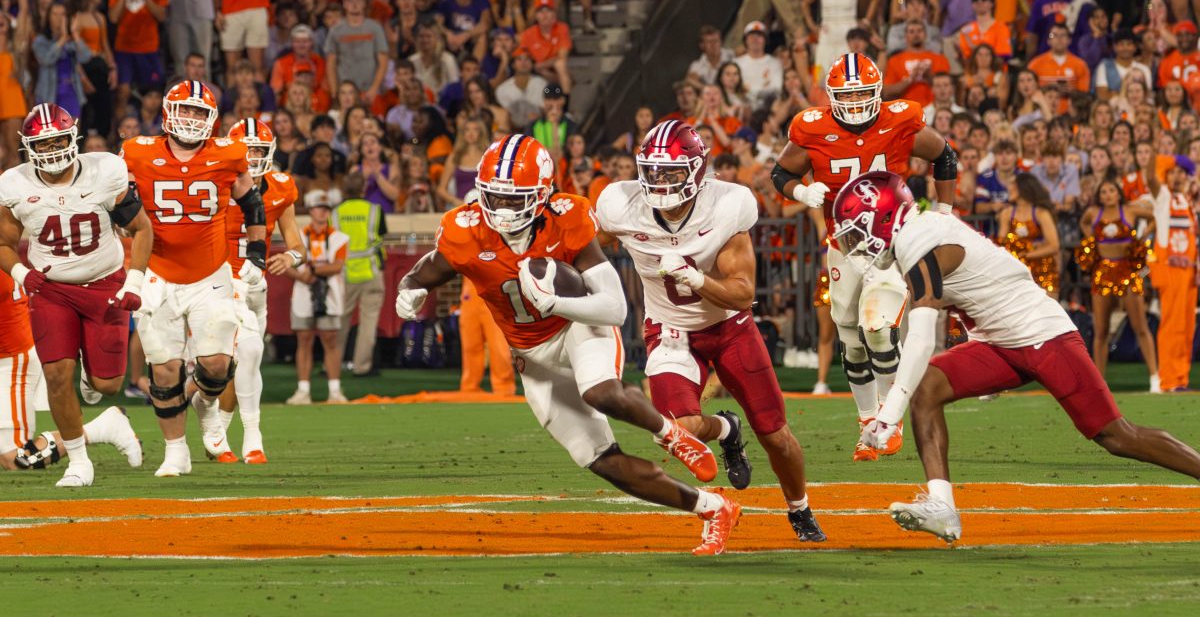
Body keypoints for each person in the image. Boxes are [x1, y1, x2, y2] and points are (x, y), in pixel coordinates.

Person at [395, 134, 742, 555]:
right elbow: (428, 269)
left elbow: (614, 308)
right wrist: (410, 289)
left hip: (579, 323)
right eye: (495, 197)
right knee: (601, 459)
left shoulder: (568, 218)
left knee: (597, 389)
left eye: (514, 198)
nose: (503, 210)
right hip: (532, 356)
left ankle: (671, 434)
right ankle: (712, 508)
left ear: (542, 195)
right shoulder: (465, 229)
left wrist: (558, 302)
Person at [833, 170, 1200, 544]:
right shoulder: (919, 234)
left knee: (1118, 437)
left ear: (882, 218)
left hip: (1041, 335)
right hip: (999, 341)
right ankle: (942, 508)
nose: (852, 243)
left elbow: (924, 335)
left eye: (854, 231)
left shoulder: (919, 240)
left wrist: (889, 414)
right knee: (927, 389)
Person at [596, 120, 826, 543]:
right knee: (676, 431)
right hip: (669, 331)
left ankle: (799, 508)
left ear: (698, 171)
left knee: (775, 434)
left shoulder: (727, 204)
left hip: (730, 329)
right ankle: (726, 429)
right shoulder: (620, 204)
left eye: (671, 172)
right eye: (653, 172)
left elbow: (742, 294)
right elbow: (588, 246)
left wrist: (696, 279)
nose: (660, 182)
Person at [771, 52, 956, 461]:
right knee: (851, 339)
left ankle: (889, 421)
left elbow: (945, 156)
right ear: (832, 96)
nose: (855, 105)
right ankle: (868, 422)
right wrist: (800, 192)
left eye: (861, 95)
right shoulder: (811, 127)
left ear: (877, 92)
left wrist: (944, 214)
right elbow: (780, 173)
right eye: (846, 96)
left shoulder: (901, 117)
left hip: (891, 245)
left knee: (877, 328)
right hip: (842, 246)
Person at [122, 81, 267, 477]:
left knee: (218, 364)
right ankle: (175, 451)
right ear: (169, 113)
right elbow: (117, 201)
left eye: (199, 112)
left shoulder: (228, 153)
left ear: (212, 119)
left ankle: (205, 402)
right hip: (158, 273)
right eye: (185, 110)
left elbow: (251, 202)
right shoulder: (137, 152)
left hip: (210, 274)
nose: (191, 118)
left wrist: (256, 252)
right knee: (164, 369)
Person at [0, 104, 149, 486]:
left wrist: (133, 282)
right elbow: (3, 242)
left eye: (57, 141)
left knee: (107, 386)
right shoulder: (15, 183)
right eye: (42, 144)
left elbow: (142, 229)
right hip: (52, 290)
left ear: (73, 138)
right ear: (28, 146)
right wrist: (21, 272)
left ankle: (97, 391)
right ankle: (79, 462)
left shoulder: (103, 171)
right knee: (56, 375)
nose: (50, 151)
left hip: (104, 282)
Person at [206, 118, 306, 463]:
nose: (252, 156)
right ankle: (250, 436)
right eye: (246, 149)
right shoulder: (213, 182)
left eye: (258, 150)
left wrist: (290, 258)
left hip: (254, 283)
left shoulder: (280, 186)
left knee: (248, 359)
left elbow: (297, 244)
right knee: (230, 361)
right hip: (216, 282)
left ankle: (219, 431)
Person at [1077, 176, 1157, 382]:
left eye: (1111, 191)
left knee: (1140, 325)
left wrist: (1142, 237)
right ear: (1099, 196)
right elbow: (1084, 222)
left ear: (1118, 193)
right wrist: (1090, 238)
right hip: (1102, 272)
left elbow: (1155, 217)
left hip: (1128, 271)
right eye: (1103, 192)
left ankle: (1155, 378)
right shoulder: (1093, 213)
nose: (1108, 195)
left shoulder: (1129, 210)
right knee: (1101, 330)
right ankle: (1099, 381)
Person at [286, 189, 349, 404]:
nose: (322, 212)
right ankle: (303, 390)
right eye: (318, 208)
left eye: (325, 209)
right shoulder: (299, 236)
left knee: (330, 340)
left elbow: (337, 266)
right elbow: (289, 266)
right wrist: (303, 275)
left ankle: (335, 390)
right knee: (303, 339)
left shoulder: (339, 237)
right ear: (311, 210)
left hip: (329, 293)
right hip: (304, 292)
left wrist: (310, 271)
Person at [1148, 157, 1197, 393]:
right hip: (1170, 268)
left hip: (1188, 270)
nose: (1177, 176)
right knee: (1172, 325)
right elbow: (1150, 177)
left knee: (1187, 326)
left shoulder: (1185, 201)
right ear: (1165, 176)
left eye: (1181, 172)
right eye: (1172, 172)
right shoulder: (1164, 198)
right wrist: (1166, 157)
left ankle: (1181, 378)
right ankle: (1169, 379)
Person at [332, 172, 386, 379]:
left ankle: (333, 364)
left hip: (343, 273)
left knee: (340, 322)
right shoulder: (374, 210)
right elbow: (381, 237)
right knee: (368, 323)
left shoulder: (335, 213)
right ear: (364, 188)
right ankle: (362, 367)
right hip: (371, 271)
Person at [800, 0, 877, 77]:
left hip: (849, 32)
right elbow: (804, 3)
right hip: (827, 32)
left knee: (849, 72)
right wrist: (812, 26)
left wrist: (866, 21)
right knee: (823, 72)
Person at [997, 172, 1060, 297]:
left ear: (1023, 187)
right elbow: (1001, 242)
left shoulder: (1041, 213)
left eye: (1013, 184)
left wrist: (1026, 255)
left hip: (1043, 270)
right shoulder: (1007, 214)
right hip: (1016, 270)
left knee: (1047, 313)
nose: (1009, 188)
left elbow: (1054, 246)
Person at [325, 0, 388, 104]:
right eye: (350, 0)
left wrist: (374, 89)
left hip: (370, 91)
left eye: (358, 0)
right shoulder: (336, 30)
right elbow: (331, 63)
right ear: (344, 4)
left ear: (364, 3)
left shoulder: (374, 28)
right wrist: (335, 92)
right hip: (345, 92)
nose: (354, 4)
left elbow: (383, 62)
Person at [882, 21, 951, 107]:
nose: (916, 34)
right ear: (906, 37)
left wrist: (929, 77)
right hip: (906, 109)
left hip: (935, 109)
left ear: (925, 35)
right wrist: (910, 79)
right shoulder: (894, 60)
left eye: (919, 31)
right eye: (912, 31)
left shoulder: (940, 59)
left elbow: (947, 88)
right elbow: (887, 92)